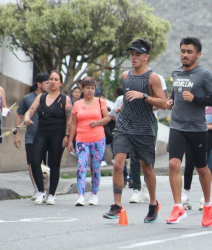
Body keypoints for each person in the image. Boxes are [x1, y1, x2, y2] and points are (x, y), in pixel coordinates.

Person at [102, 38, 166, 223]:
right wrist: (122, 106)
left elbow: (162, 102)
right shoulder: (125, 75)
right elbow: (126, 97)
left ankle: (153, 204)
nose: (133, 57)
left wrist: (144, 96)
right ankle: (116, 205)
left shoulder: (153, 78)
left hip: (144, 128)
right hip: (124, 126)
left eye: (138, 54)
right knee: (117, 164)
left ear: (146, 57)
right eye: (131, 54)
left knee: (146, 168)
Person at [166, 37, 212, 227]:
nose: (185, 55)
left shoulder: (204, 74)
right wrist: (172, 100)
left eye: (189, 51)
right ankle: (178, 206)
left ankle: (207, 206)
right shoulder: (176, 72)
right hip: (177, 126)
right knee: (173, 164)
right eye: (182, 51)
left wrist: (195, 99)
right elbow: (177, 92)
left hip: (197, 128)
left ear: (198, 54)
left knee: (201, 168)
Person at [24, 70, 72, 205]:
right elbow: (30, 111)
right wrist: (27, 118)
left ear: (61, 83)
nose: (52, 81)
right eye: (51, 79)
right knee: (34, 160)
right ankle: (40, 191)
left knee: (54, 164)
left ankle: (51, 194)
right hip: (42, 133)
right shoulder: (41, 97)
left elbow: (69, 119)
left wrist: (67, 136)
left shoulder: (65, 99)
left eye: (56, 79)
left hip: (58, 134)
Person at [68, 76, 111, 206]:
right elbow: (73, 124)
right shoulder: (77, 104)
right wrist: (70, 140)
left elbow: (107, 118)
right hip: (81, 140)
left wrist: (97, 122)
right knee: (81, 165)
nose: (90, 91)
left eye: (93, 88)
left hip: (98, 139)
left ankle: (94, 194)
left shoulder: (100, 102)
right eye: (87, 88)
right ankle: (81, 196)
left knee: (95, 167)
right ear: (82, 89)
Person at [128, 74, 168, 203]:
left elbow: (164, 101)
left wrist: (146, 106)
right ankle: (136, 190)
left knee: (148, 156)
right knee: (134, 155)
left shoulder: (156, 78)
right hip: (134, 121)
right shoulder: (129, 78)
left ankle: (147, 185)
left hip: (149, 121)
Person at [14, 72, 50, 199]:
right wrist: (16, 135)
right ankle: (36, 189)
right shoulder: (27, 99)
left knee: (45, 164)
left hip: (47, 136)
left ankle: (46, 189)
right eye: (47, 82)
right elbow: (19, 116)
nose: (50, 84)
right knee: (32, 163)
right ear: (39, 84)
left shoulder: (50, 98)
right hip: (31, 136)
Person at [181, 106, 212, 210]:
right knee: (189, 164)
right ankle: (185, 195)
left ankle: (204, 198)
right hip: (191, 131)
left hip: (206, 134)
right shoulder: (193, 96)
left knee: (204, 165)